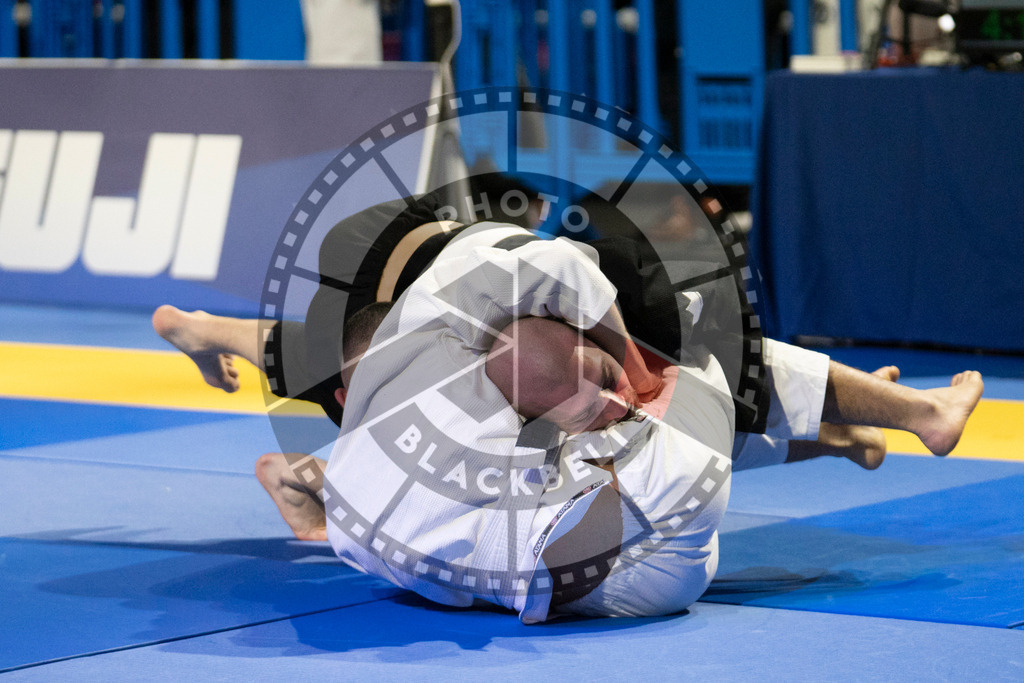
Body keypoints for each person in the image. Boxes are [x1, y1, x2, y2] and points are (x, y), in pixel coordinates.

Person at [155, 208, 983, 622]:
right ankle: (901, 415)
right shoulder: (448, 334)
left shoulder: (396, 381)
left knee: (644, 388)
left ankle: (847, 430)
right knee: (698, 350)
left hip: (410, 529)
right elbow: (645, 494)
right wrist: (640, 357)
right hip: (637, 562)